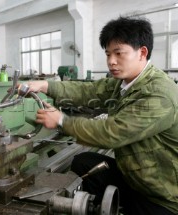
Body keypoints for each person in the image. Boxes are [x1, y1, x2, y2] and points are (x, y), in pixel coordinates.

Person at [26, 16, 178, 215]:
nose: (111, 61)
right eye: (108, 54)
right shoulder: (123, 83)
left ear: (142, 52)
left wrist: (62, 121)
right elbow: (88, 91)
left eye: (118, 53)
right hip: (134, 175)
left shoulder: (160, 94)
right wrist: (45, 85)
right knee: (84, 161)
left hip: (161, 194)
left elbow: (112, 133)